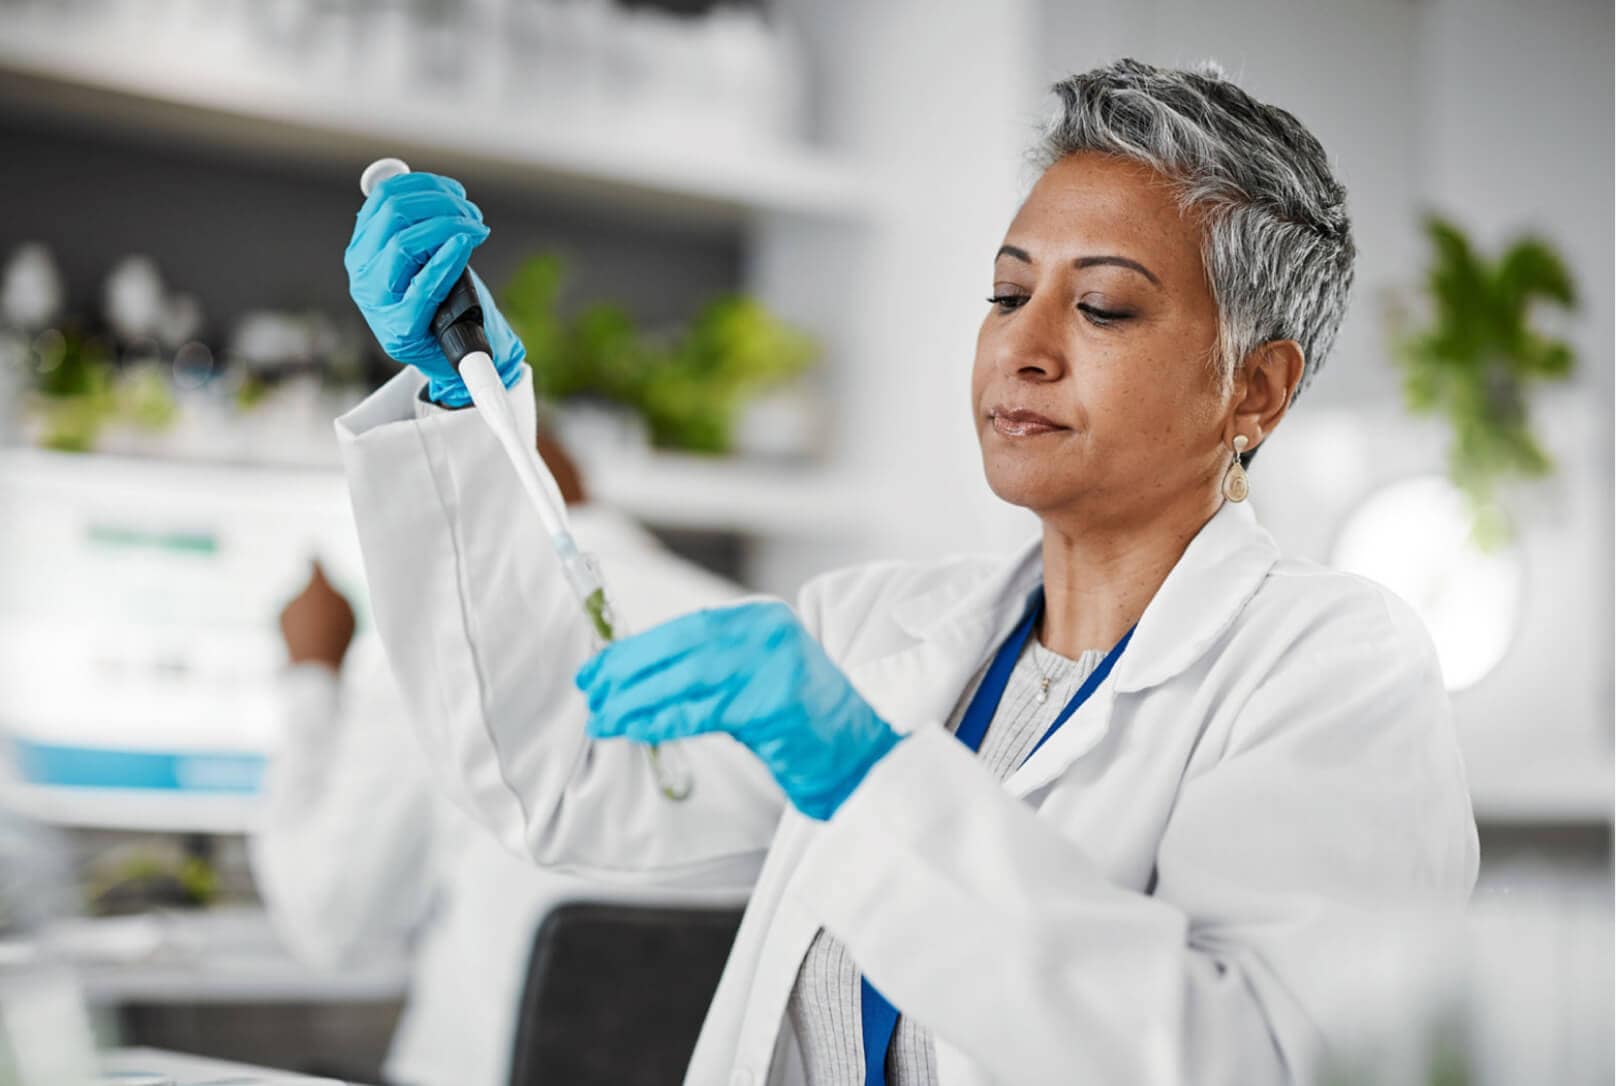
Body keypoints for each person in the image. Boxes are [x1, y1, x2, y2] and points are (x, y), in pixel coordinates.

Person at [334, 58, 1478, 1085]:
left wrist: (868, 778)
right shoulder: (880, 629)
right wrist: (461, 401)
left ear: (1254, 391)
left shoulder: (1333, 669)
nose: (1022, 348)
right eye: (1004, 292)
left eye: (1101, 305)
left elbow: (1257, 1065)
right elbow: (560, 778)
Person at [249, 437, 748, 1086]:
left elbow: (329, 925)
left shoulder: (447, 657)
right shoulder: (760, 633)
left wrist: (311, 673)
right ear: (574, 473)